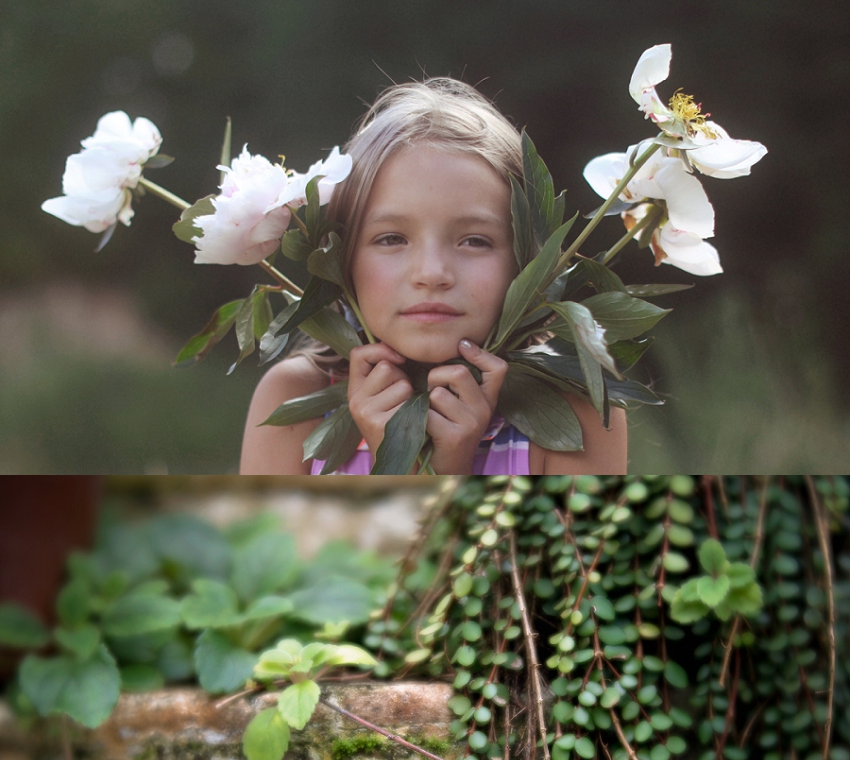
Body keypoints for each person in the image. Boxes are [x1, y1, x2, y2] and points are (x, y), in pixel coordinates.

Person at [240, 79, 627, 475]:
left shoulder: (578, 409)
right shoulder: (293, 398)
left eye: (475, 241)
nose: (432, 274)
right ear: (340, 256)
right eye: (391, 238)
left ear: (526, 259)